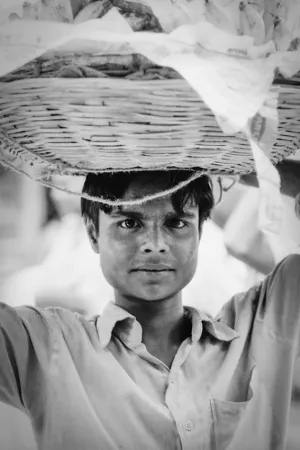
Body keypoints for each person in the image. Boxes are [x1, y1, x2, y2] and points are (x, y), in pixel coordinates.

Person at [0, 168, 300, 450]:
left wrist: (253, 164)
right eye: (129, 223)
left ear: (200, 233)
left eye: (177, 223)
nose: (154, 244)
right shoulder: (46, 344)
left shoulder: (254, 328)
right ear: (93, 234)